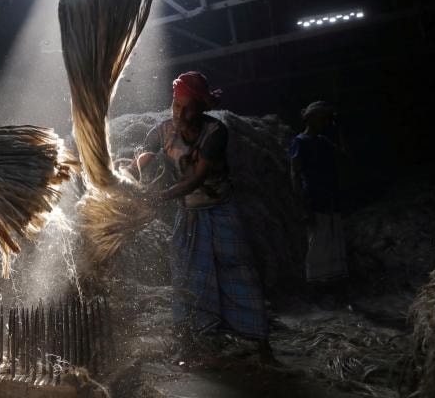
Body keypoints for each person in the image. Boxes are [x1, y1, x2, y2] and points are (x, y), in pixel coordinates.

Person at [135, 71, 276, 365]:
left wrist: (158, 197)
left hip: (220, 209)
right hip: (188, 214)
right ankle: (190, 341)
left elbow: (196, 179)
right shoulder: (162, 131)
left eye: (188, 107)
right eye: (176, 106)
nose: (181, 114)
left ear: (201, 107)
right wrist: (136, 172)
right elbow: (145, 154)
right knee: (187, 276)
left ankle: (260, 343)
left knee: (237, 271)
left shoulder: (215, 132)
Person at [290, 101, 348, 306]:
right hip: (313, 198)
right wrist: (302, 205)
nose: (325, 123)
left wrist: (337, 129)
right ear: (311, 118)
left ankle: (333, 288)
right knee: (318, 245)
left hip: (330, 197)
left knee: (332, 243)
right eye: (322, 119)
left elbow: (342, 156)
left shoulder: (323, 142)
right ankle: (317, 291)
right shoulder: (300, 141)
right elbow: (295, 173)